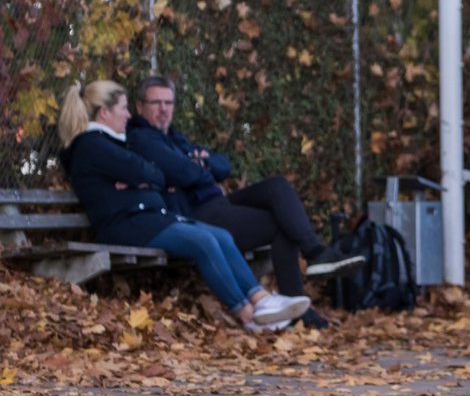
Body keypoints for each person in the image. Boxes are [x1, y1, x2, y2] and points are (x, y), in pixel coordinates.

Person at [58, 81, 311, 331]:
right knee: (204, 242)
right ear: (105, 112)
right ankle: (248, 315)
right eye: (124, 108)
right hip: (125, 224)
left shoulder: (110, 144)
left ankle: (261, 300)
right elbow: (150, 173)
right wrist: (143, 179)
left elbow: (154, 176)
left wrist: (141, 180)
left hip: (145, 218)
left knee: (220, 236)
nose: (127, 114)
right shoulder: (92, 145)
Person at [127, 76, 360, 329]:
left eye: (168, 103)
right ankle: (300, 300)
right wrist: (200, 166)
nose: (164, 109)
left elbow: (223, 164)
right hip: (197, 215)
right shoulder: (142, 138)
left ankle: (316, 254)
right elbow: (184, 173)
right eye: (156, 103)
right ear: (140, 107)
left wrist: (201, 164)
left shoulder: (175, 138)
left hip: (217, 202)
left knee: (277, 186)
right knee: (283, 224)